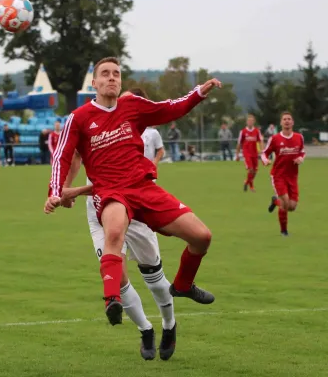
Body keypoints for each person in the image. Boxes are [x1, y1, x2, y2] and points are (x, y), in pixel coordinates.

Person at [44, 56, 221, 327]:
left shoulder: (132, 106)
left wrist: (197, 93)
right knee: (113, 234)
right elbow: (63, 156)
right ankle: (112, 299)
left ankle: (183, 284)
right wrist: (55, 190)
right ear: (94, 83)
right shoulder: (78, 118)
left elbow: (168, 109)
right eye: (105, 73)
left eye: (116, 73)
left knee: (202, 236)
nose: (112, 77)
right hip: (111, 192)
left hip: (143, 187)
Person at [61, 88, 174, 361]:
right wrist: (63, 186)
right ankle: (145, 329)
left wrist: (73, 191)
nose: (118, 103)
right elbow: (76, 156)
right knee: (116, 273)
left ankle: (169, 324)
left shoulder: (141, 129)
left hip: (138, 204)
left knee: (154, 277)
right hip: (101, 208)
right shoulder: (96, 123)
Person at [261, 112, 305, 236]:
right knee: (285, 202)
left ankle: (275, 201)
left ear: (293, 122)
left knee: (292, 206)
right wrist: (265, 161)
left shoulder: (299, 137)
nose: (286, 121)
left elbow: (302, 152)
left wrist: (301, 159)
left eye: (289, 119)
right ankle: (284, 231)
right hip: (278, 175)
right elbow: (264, 153)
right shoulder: (275, 139)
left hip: (293, 176)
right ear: (281, 123)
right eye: (284, 119)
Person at [236, 114, 264, 192]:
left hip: (255, 153)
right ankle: (251, 186)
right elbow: (239, 144)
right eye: (249, 121)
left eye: (251, 121)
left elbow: (260, 141)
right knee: (251, 169)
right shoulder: (243, 132)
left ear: (254, 122)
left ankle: (246, 182)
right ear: (246, 122)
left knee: (255, 172)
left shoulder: (257, 131)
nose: (250, 122)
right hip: (247, 153)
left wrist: (262, 151)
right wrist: (237, 154)